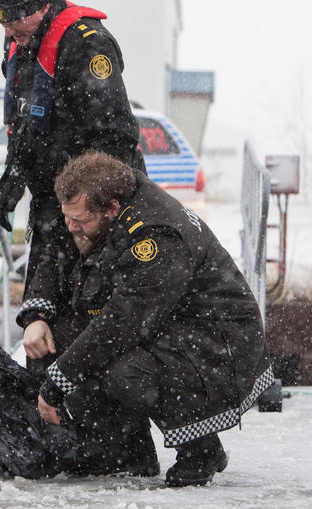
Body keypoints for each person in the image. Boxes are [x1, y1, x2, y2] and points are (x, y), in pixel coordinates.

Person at [19, 152, 274, 487]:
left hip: (220, 339)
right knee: (59, 338)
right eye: (68, 217)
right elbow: (56, 252)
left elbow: (122, 323)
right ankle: (119, 449)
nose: (71, 227)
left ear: (111, 208)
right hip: (171, 322)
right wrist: (37, 316)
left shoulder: (157, 236)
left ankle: (200, 449)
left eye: (79, 221)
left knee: (125, 370)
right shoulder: (101, 205)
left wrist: (56, 384)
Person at [0, 0, 146, 312]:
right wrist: (13, 178)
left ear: (39, 6)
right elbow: (22, 122)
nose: (9, 32)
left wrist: (88, 208)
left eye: (15, 21)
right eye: (3, 23)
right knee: (39, 311)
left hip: (95, 206)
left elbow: (117, 138)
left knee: (92, 311)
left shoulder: (87, 44)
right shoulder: (21, 40)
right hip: (49, 202)